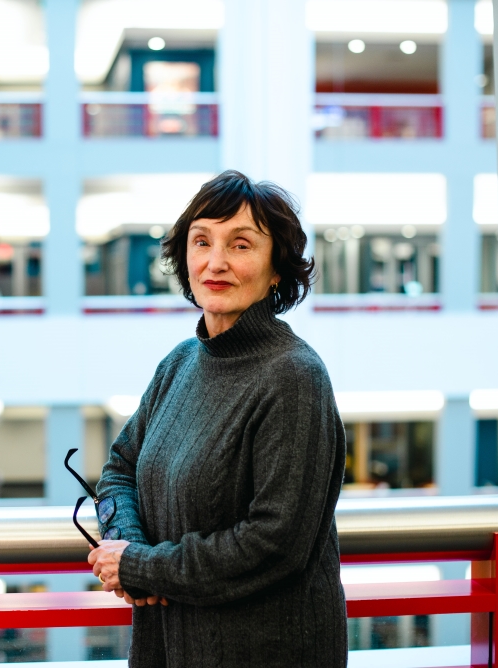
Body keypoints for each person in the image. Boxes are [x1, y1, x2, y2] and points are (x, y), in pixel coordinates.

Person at [87, 170, 348, 666]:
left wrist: (143, 567)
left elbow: (275, 544)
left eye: (241, 244)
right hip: (167, 644)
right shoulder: (181, 363)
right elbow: (118, 470)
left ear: (277, 270)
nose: (215, 261)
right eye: (201, 240)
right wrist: (128, 547)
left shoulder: (295, 377)